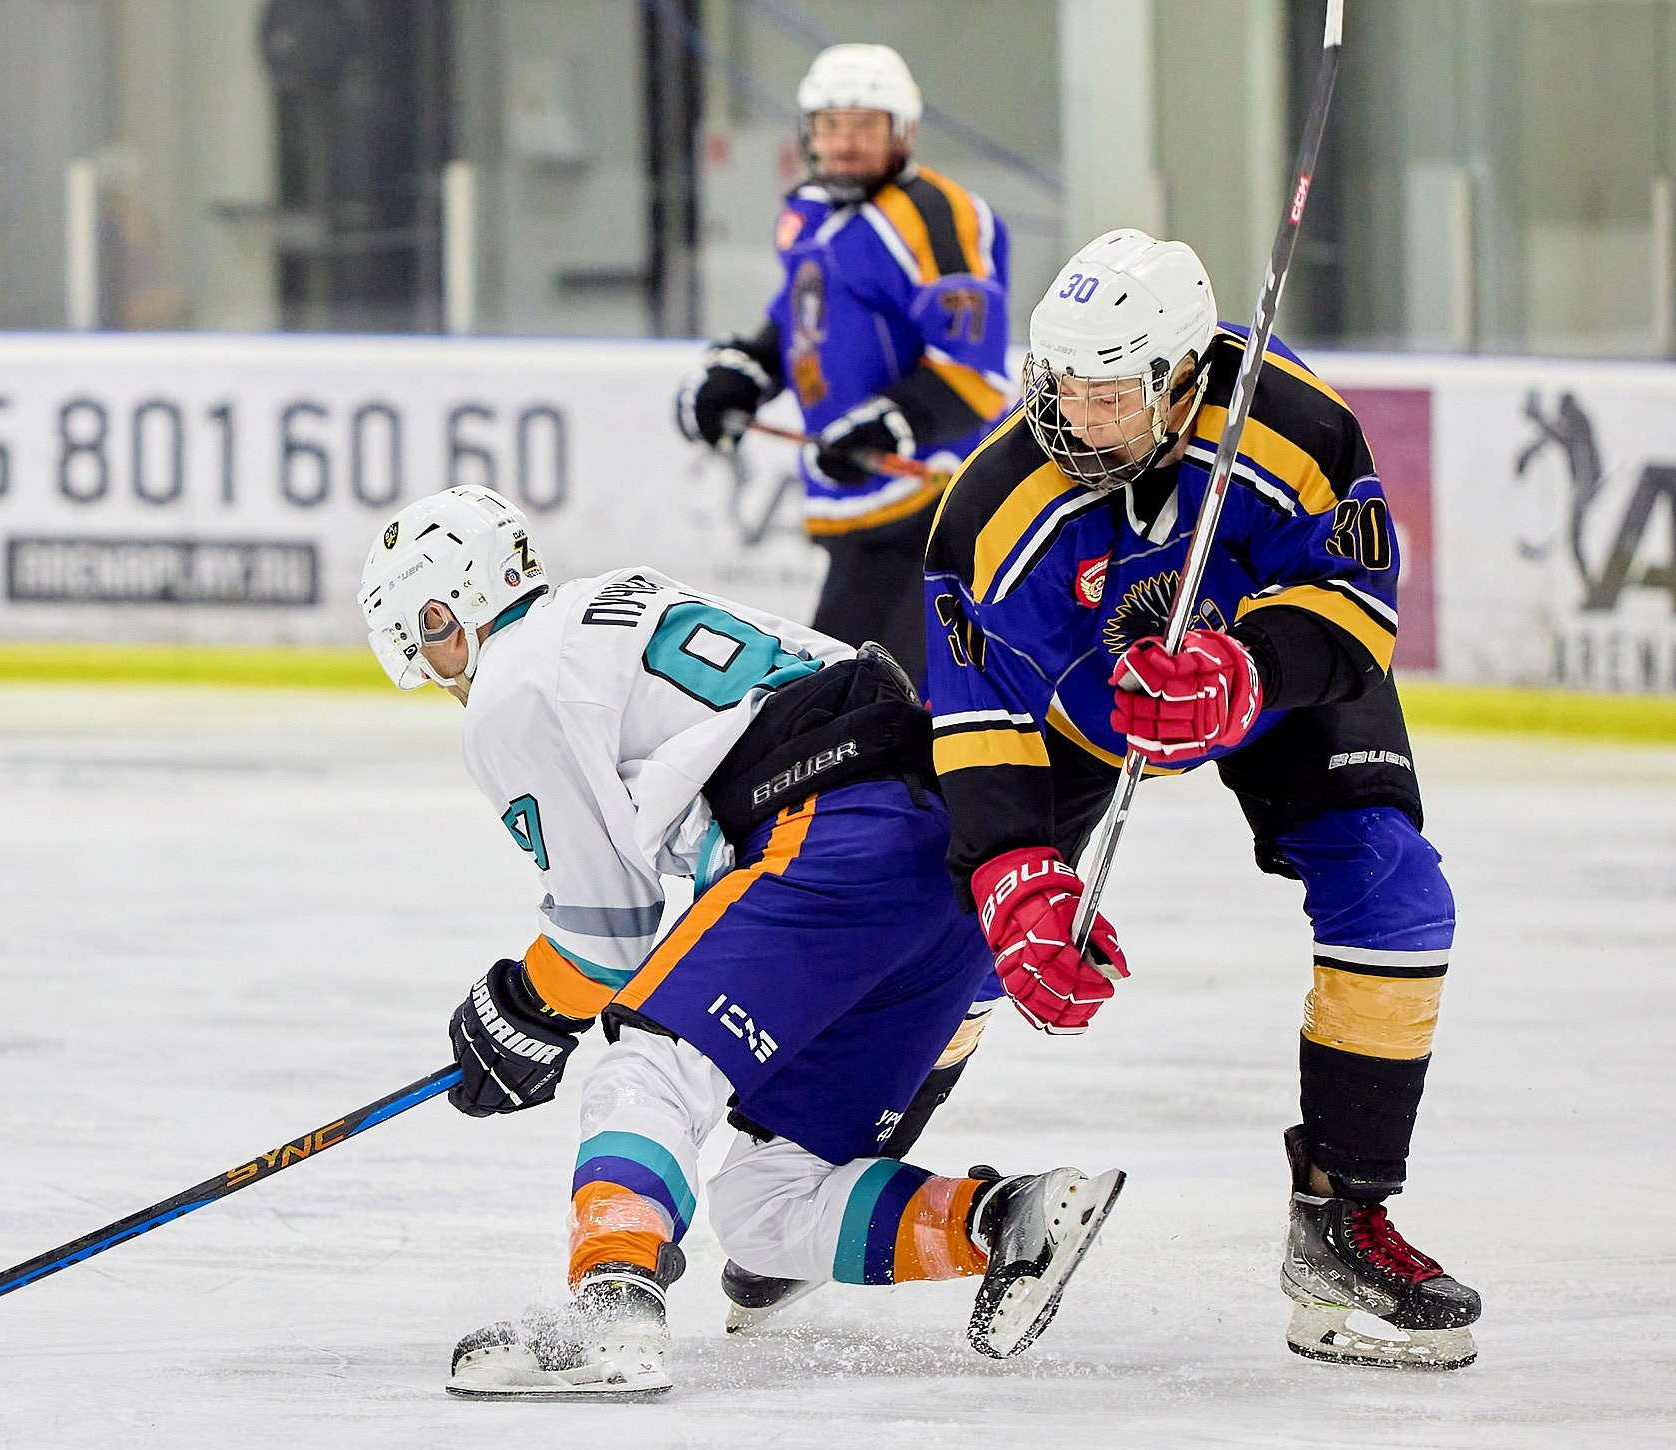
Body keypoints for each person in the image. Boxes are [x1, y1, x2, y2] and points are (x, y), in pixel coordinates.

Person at [358, 484, 1122, 1399]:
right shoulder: (618, 601)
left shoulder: (512, 684)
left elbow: (607, 941)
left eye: (430, 646)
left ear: (446, 613)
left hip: (839, 838)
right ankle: (1008, 1220)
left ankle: (612, 1309)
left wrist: (518, 1008)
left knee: (645, 1069)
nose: (444, 678)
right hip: (958, 863)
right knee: (765, 1206)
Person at [921, 228, 1481, 1370]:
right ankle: (846, 1159)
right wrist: (1011, 869)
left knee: (1394, 887)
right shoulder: (989, 513)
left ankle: (1341, 1226)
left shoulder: (1296, 425)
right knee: (964, 936)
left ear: (1182, 378)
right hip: (1079, 713)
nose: (1078, 422)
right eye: (1060, 388)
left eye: (1111, 396)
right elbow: (977, 717)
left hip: (1264, 685)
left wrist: (1250, 670)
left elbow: (1358, 600)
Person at [675, 42, 1012, 685]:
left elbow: (974, 373)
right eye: (831, 125)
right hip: (864, 510)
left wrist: (888, 426)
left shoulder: (937, 216)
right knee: (859, 697)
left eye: (865, 126)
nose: (845, 144)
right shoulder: (810, 210)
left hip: (935, 511)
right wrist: (746, 372)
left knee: (851, 702)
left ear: (903, 132)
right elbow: (802, 320)